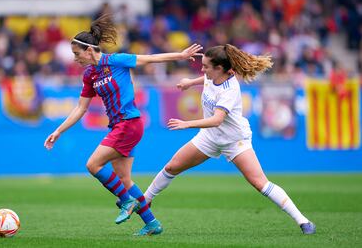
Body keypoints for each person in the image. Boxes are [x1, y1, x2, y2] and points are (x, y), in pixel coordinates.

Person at [44, 14, 202, 236]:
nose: (75, 58)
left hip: (129, 124)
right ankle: (152, 223)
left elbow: (150, 59)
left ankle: (126, 201)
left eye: (76, 54)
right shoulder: (89, 74)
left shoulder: (116, 60)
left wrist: (181, 55)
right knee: (124, 178)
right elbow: (81, 108)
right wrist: (58, 131)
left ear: (90, 50)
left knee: (93, 165)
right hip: (119, 126)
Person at [143, 44, 316, 235]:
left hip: (234, 141)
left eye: (206, 66)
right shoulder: (213, 75)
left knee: (260, 183)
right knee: (171, 167)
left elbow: (217, 120)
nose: (202, 69)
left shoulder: (230, 89)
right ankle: (144, 201)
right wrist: (191, 83)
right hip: (209, 137)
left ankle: (303, 221)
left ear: (219, 69)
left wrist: (187, 124)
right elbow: (207, 80)